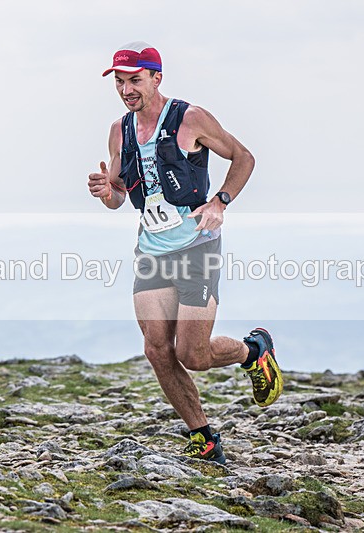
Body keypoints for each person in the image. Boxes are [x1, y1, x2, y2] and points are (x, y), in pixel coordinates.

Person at [87, 42, 283, 464]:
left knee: (192, 354)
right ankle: (204, 436)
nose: (126, 90)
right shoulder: (119, 130)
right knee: (157, 349)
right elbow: (120, 196)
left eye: (134, 80)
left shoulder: (190, 118)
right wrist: (109, 192)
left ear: (157, 78)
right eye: (119, 82)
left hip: (197, 247)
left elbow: (244, 157)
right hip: (152, 249)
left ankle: (254, 351)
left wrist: (220, 202)